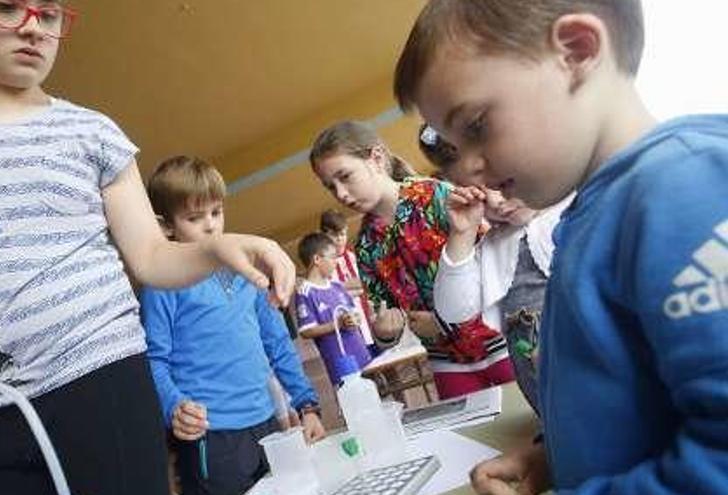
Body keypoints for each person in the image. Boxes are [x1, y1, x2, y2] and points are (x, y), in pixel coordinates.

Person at [0, 2, 295, 495]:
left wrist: (219, 248)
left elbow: (150, 257)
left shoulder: (93, 132)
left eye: (50, 14)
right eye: (6, 7)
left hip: (105, 385)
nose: (32, 28)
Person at [394, 0, 728, 493]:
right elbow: (639, 402)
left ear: (576, 51)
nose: (466, 168)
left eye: (476, 127)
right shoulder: (589, 217)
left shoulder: (683, 189)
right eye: (451, 148)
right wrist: (554, 458)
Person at [140, 156, 325, 495]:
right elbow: (154, 360)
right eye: (195, 218)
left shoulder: (247, 273)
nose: (211, 226)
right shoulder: (161, 285)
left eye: (216, 212)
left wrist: (307, 405)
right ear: (167, 226)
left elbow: (278, 344)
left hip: (266, 424)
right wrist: (174, 406)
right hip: (211, 434)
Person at [310, 120, 515, 399]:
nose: (341, 194)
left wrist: (443, 323)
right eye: (330, 187)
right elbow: (389, 317)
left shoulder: (437, 197)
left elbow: (496, 272)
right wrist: (385, 332)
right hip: (448, 366)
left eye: (345, 177)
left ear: (377, 159)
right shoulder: (367, 245)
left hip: (502, 345)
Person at [423, 125, 574, 413]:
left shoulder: (573, 208)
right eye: (479, 196)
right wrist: (462, 234)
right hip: (551, 412)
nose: (496, 201)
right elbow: (454, 310)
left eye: (501, 182)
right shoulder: (494, 245)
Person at [294, 232, 373, 385]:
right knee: (354, 404)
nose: (336, 262)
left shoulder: (337, 287)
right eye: (332, 257)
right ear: (317, 259)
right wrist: (338, 324)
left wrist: (354, 319)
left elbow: (354, 315)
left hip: (363, 355)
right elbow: (306, 331)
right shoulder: (306, 292)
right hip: (341, 365)